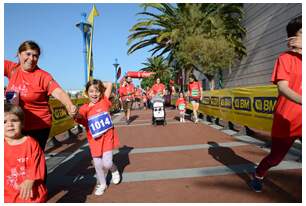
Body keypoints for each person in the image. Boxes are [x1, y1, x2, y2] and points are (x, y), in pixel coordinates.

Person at [249, 15, 302, 192]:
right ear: (293, 38)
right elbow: (283, 88)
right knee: (275, 158)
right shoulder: (285, 59)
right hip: (287, 119)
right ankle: (258, 174)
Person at [4, 40, 77, 151]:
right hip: (16, 124)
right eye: (28, 54)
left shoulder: (43, 76)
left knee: (33, 157)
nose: (31, 59)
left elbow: (58, 92)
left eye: (35, 56)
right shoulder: (12, 69)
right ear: (19, 54)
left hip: (38, 126)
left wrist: (70, 106)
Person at [74, 79, 121, 196]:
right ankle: (102, 184)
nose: (94, 94)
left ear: (101, 92)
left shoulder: (104, 101)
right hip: (94, 140)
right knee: (98, 165)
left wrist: (95, 82)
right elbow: (78, 117)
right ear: (86, 93)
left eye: (97, 91)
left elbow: (109, 84)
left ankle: (114, 169)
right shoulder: (84, 108)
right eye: (91, 91)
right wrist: (74, 113)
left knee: (107, 163)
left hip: (107, 137)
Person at [4, 103, 47, 203]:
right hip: (9, 196)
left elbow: (38, 163)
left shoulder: (31, 143)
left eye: (14, 120)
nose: (9, 124)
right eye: (4, 122)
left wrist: (30, 179)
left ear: (22, 123)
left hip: (33, 195)